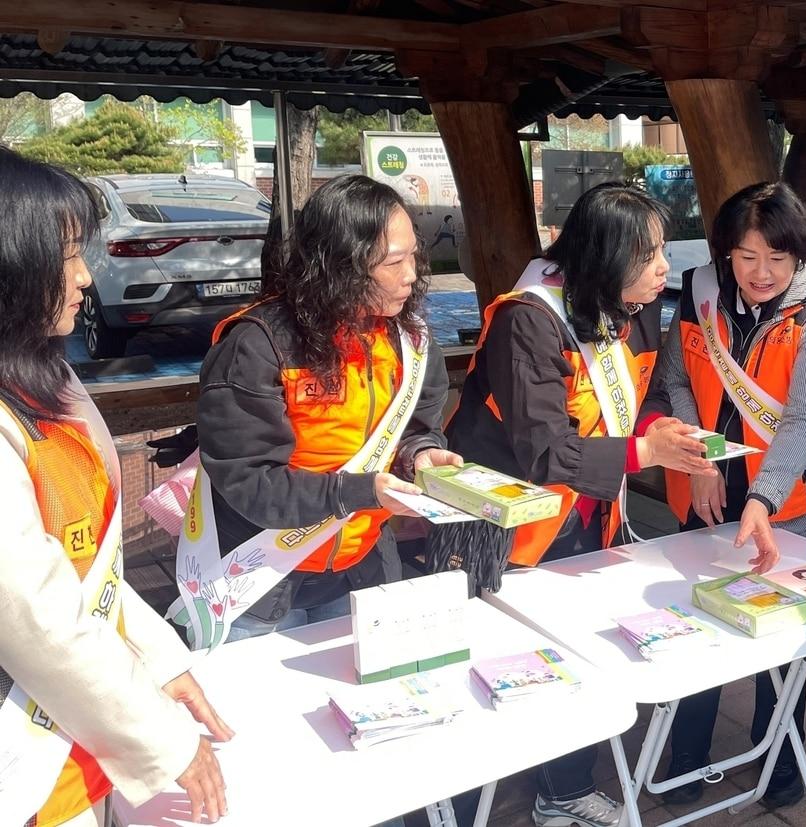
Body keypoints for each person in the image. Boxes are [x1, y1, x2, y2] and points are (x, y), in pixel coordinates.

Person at [445, 181, 715, 827]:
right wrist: (647, 453)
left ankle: (564, 790)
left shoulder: (633, 305)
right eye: (648, 254)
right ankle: (455, 806)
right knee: (490, 663)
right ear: (602, 255)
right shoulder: (528, 319)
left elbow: (640, 393)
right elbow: (544, 451)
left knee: (582, 655)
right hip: (508, 523)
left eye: (662, 252)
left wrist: (661, 430)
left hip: (589, 515)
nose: (662, 268)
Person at [0, 148, 233, 826]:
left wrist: (160, 662)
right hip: (29, 762)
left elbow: (87, 569)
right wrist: (164, 740)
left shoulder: (47, 379)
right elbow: (37, 618)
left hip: (79, 747)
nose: (83, 277)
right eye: (65, 256)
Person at [184, 174, 458, 648]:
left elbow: (414, 429)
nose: (411, 274)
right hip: (258, 578)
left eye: (414, 254)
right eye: (393, 261)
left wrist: (421, 455)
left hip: (363, 567)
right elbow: (250, 482)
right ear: (341, 266)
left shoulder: (410, 341)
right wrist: (357, 491)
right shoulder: (258, 345)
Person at [647, 181, 806, 808]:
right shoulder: (697, 293)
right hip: (702, 490)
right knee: (693, 618)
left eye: (778, 259)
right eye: (748, 256)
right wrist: (701, 460)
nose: (763, 273)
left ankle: (781, 764)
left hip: (787, 501)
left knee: (780, 636)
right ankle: (685, 757)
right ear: (726, 252)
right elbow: (676, 379)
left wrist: (760, 497)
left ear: (800, 258)